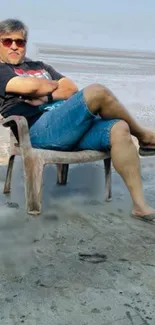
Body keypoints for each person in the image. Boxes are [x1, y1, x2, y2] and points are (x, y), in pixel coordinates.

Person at [0, 18, 155, 223]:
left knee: (119, 128)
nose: (14, 46)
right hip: (38, 130)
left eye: (19, 42)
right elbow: (28, 87)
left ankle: (140, 206)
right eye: (7, 41)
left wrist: (41, 94)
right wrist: (46, 88)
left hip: (69, 125)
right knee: (97, 92)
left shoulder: (39, 65)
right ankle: (145, 137)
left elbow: (70, 88)